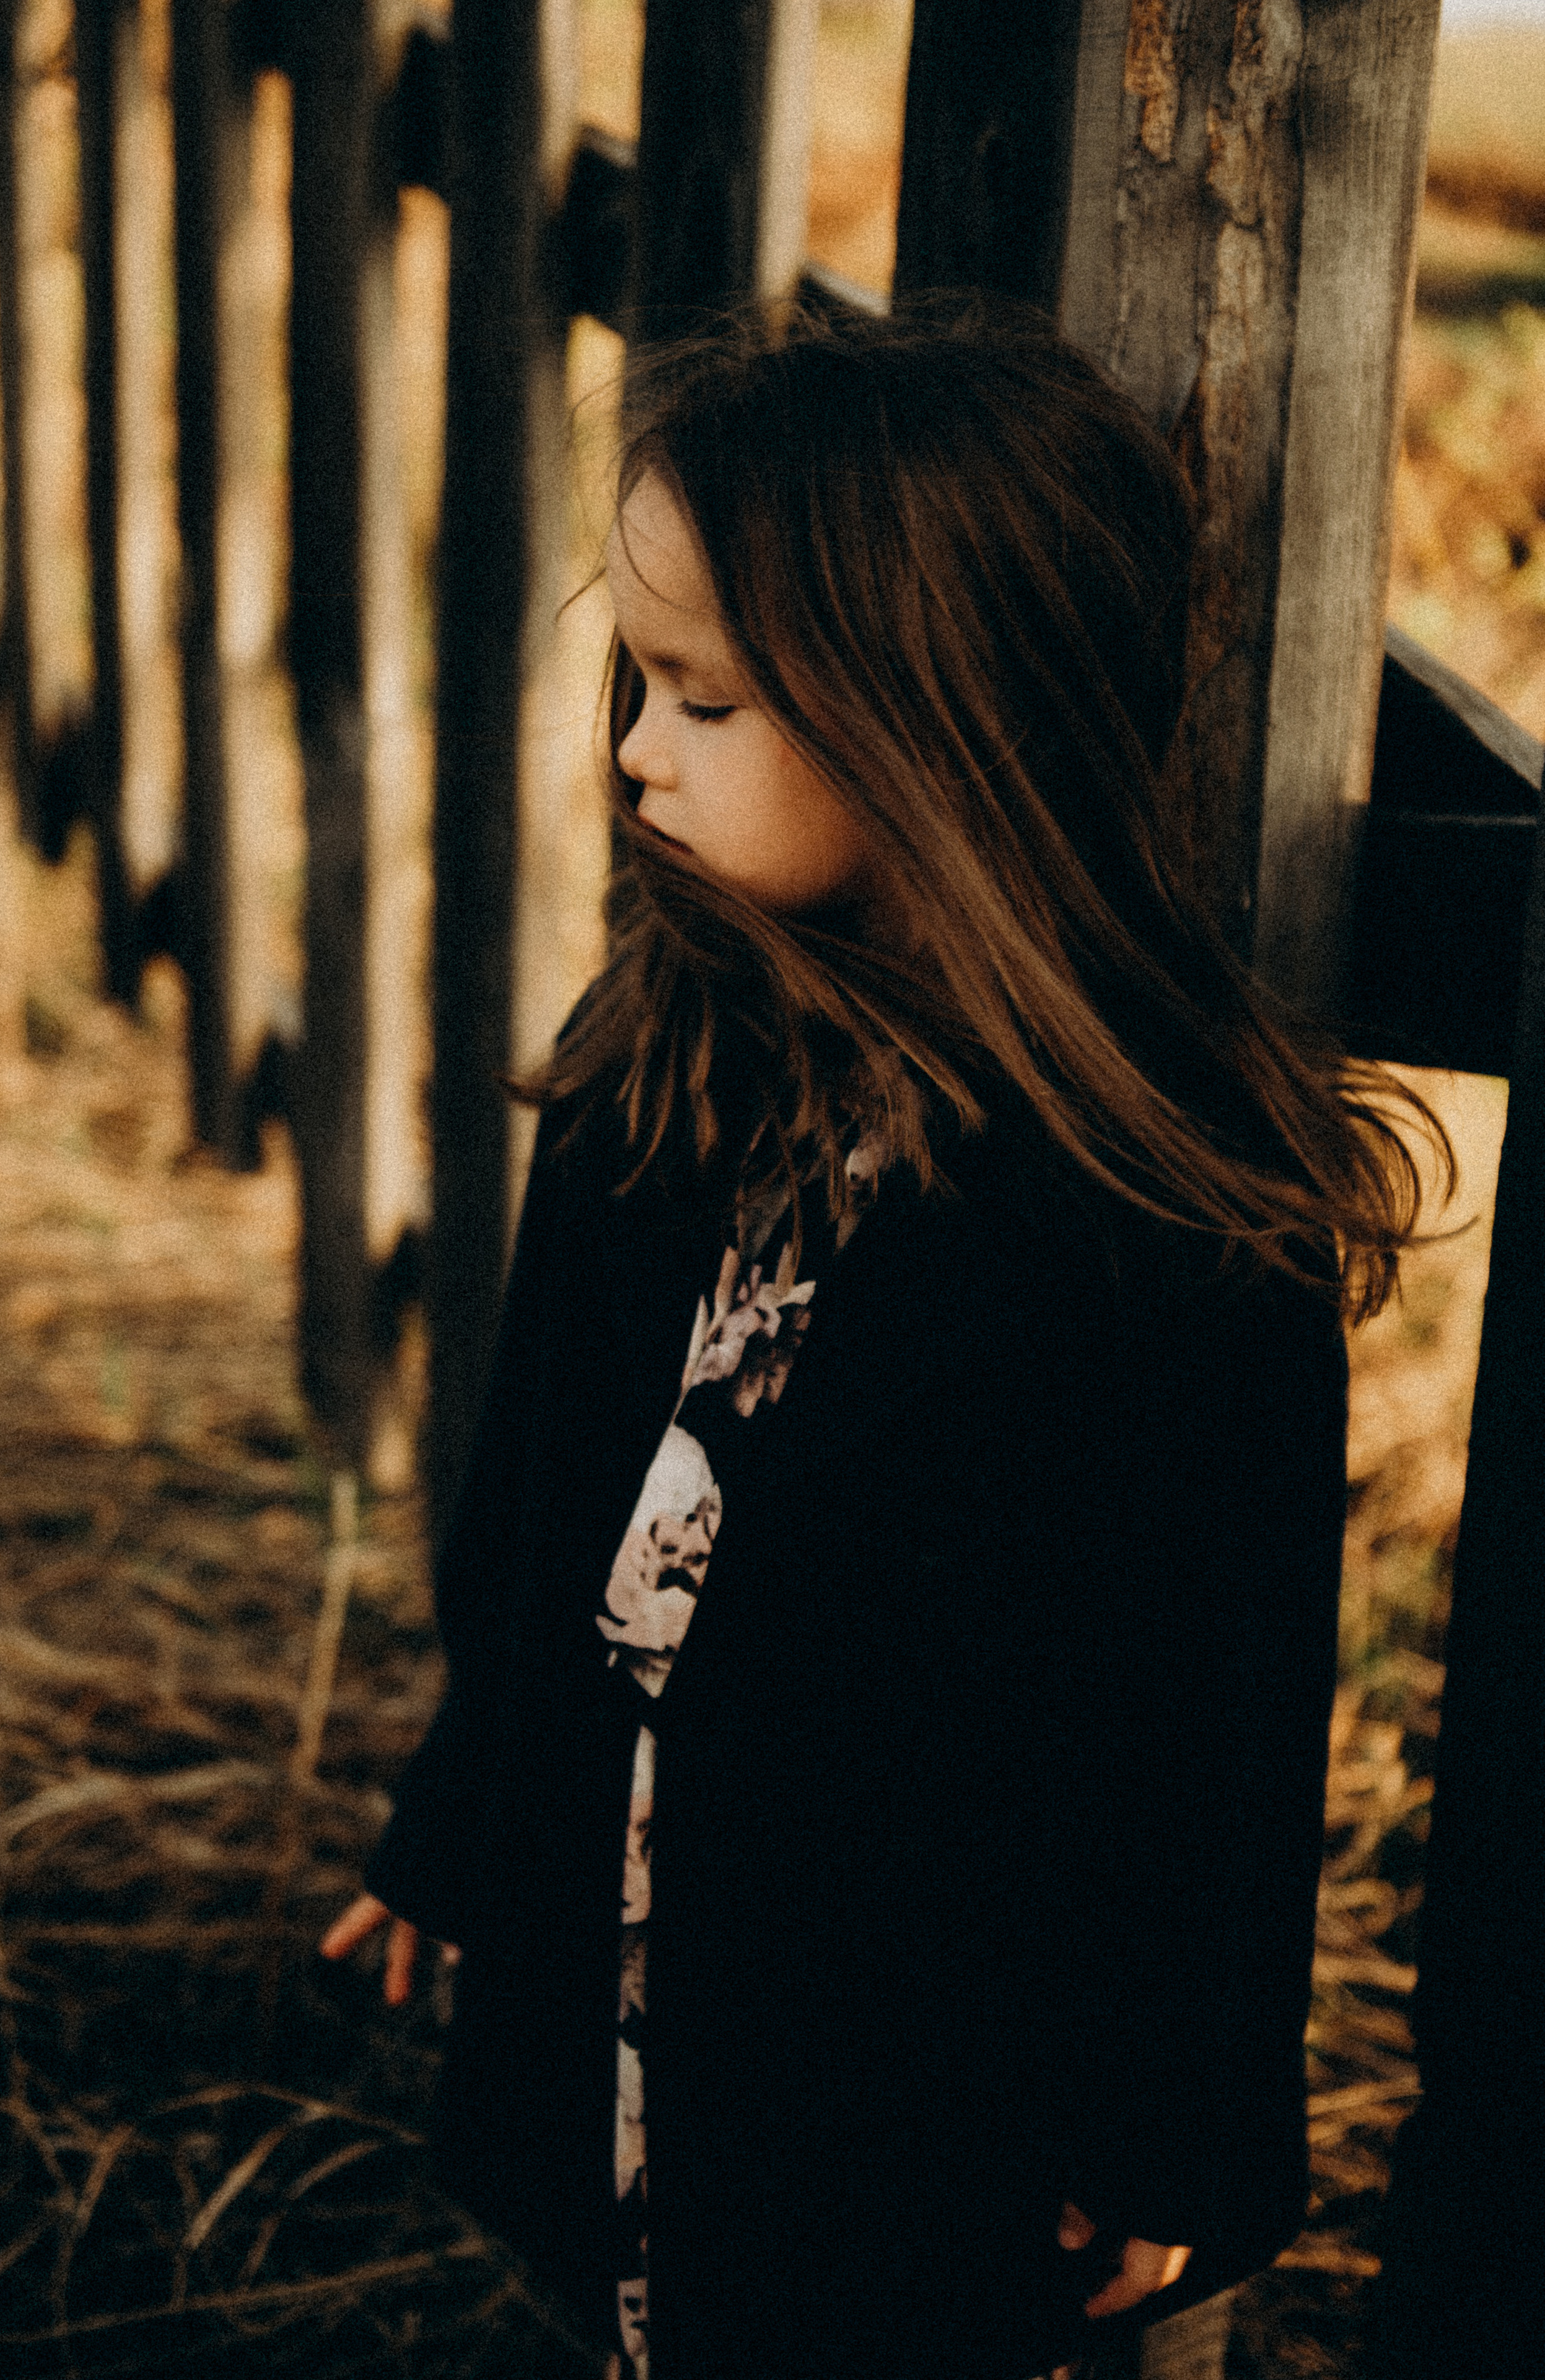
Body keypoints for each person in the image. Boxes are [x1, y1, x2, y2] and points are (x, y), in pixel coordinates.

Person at [321, 299, 1453, 2380]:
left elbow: (1215, 1713)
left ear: (940, 725)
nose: (635, 748)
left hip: (909, 2052)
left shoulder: (1163, 1222)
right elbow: (540, 1507)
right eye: (640, 681)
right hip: (619, 1962)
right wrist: (462, 1816)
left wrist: (1180, 2107)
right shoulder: (660, 1060)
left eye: (706, 697)